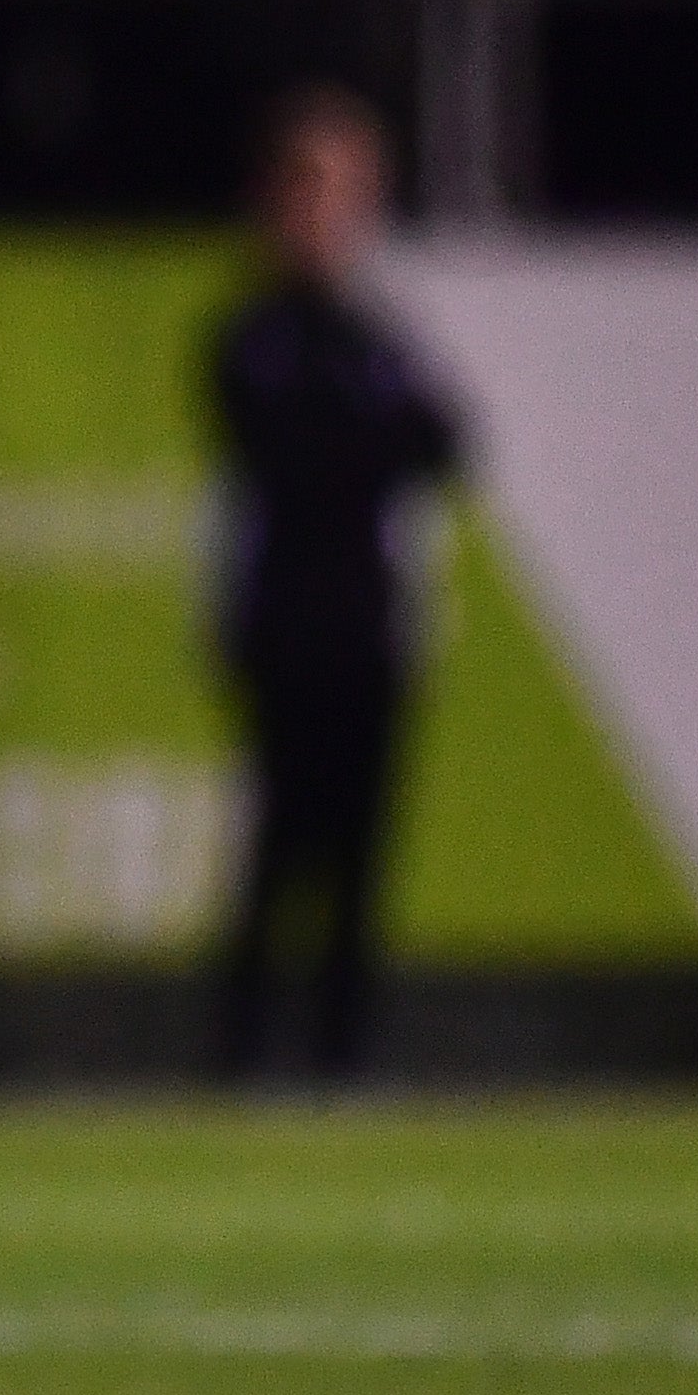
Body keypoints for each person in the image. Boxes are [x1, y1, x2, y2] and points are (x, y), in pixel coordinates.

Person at [207, 85, 464, 1084]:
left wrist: (364, 440)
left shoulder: (376, 333)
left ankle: (343, 1061)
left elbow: (446, 440)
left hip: (369, 623)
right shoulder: (256, 333)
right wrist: (367, 441)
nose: (330, 213)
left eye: (350, 190)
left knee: (361, 861)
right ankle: (241, 1058)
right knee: (278, 852)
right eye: (312, 188)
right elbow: (290, 449)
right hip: (284, 624)